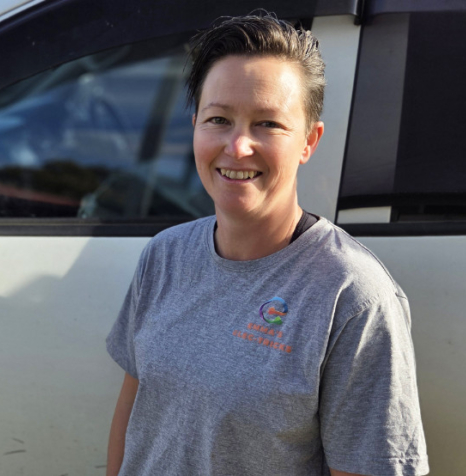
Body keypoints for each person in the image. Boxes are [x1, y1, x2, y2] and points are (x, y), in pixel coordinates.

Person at [105, 12, 428, 476]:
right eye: (219, 119)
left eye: (268, 124)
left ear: (308, 141)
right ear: (195, 126)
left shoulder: (353, 296)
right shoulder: (164, 255)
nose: (238, 147)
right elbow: (133, 415)